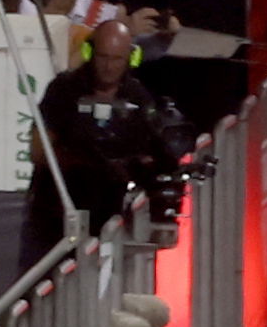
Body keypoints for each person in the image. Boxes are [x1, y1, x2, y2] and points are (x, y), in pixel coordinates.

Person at [42, 21, 195, 239]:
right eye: (103, 57)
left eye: (117, 59)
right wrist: (80, 160)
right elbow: (40, 150)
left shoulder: (138, 97)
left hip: (113, 209)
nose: (109, 67)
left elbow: (156, 151)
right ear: (89, 52)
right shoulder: (63, 90)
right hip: (59, 208)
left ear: (131, 58)